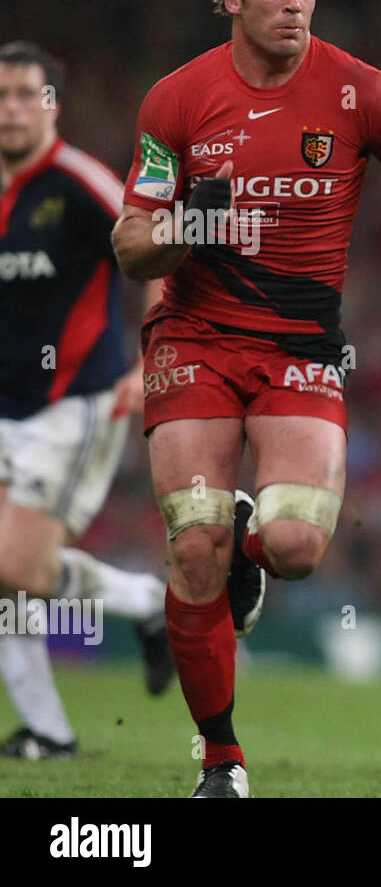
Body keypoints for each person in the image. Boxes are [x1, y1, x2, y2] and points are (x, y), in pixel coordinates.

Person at [110, 0, 381, 797]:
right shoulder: (178, 100)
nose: (292, 3)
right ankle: (222, 764)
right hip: (193, 340)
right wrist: (196, 222)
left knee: (299, 547)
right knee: (194, 548)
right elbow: (131, 243)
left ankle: (249, 552)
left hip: (302, 346)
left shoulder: (361, 91)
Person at [0, 41, 172, 760]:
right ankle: (48, 730)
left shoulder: (79, 183)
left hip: (74, 401)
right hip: (5, 405)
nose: (9, 110)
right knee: (8, 578)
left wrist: (148, 357)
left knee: (15, 570)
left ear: (52, 105)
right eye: (0, 96)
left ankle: (147, 603)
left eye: (24, 96)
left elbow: (153, 251)